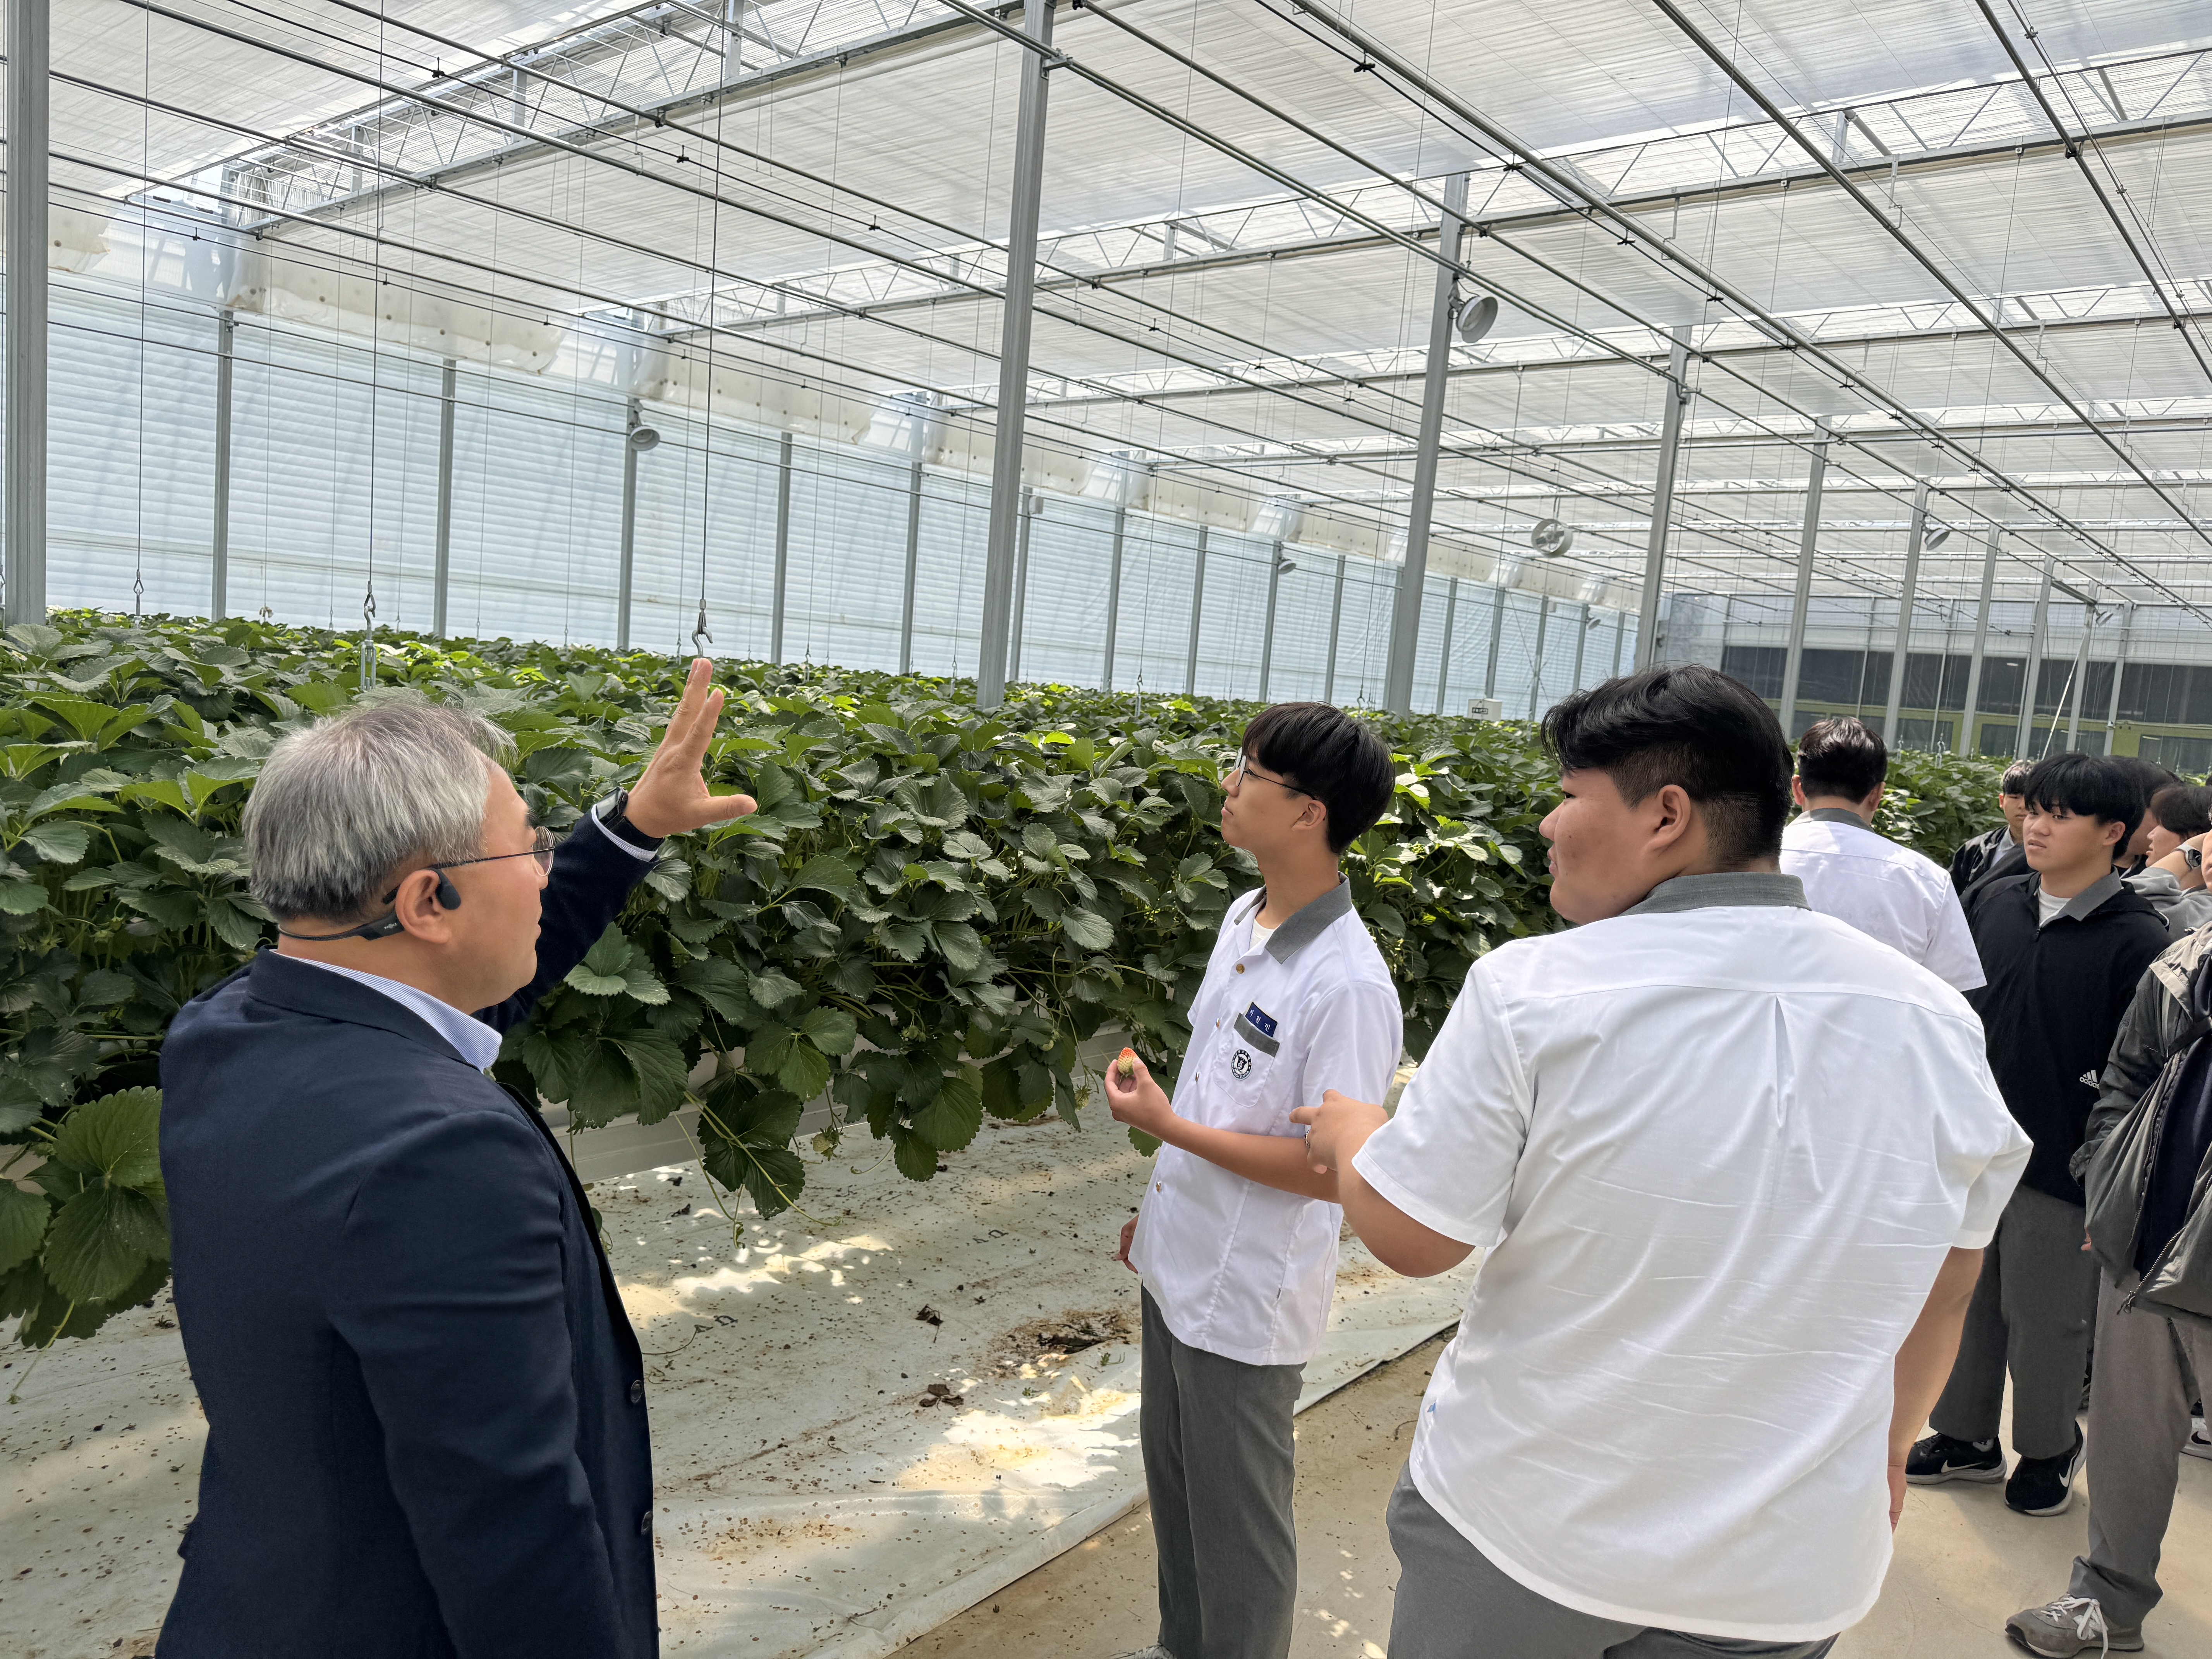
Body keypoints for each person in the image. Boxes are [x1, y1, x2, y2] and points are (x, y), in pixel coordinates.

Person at [1289, 666, 2029, 1659]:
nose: (1548, 824)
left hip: (1531, 1531)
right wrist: (1891, 1447)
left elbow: (1416, 1238)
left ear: (1667, 814)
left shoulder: (1536, 990)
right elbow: (1950, 1275)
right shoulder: (1933, 1021)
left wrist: (1352, 1136)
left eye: (1568, 794)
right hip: (1785, 1568)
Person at [158, 662, 753, 1659]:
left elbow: (463, 982)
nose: (546, 870)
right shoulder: (443, 1156)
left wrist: (634, 826)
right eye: (534, 846)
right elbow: (512, 1530)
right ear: (428, 899)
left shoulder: (226, 1030)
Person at [1102, 702, 1402, 1659]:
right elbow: (1214, 1085)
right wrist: (1159, 1207)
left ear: (1310, 813)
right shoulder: (1247, 915)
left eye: (1249, 773)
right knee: (1178, 1491)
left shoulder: (1348, 985)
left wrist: (1167, 1128)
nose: (1227, 786)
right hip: (1177, 1262)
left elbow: (1333, 1173)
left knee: (1240, 1534)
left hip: (1244, 1295)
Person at [1908, 753, 2170, 1518]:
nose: (2036, 824)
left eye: (2061, 814)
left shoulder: (2137, 939)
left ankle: (2049, 1447)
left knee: (2047, 1317)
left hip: (2063, 1164)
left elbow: (2142, 1073)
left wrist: (2110, 1183)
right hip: (1972, 1148)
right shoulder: (1998, 902)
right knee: (1962, 1299)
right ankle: (1965, 1436)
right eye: (2036, 809)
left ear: (2112, 832)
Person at [2002, 898, 2212, 1656]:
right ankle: (2106, 1601)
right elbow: (2124, 1077)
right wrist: (2107, 1187)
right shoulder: (2187, 958)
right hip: (2147, 1244)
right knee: (2128, 1436)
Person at [1778, 715, 1982, 991]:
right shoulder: (1926, 879)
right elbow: (1955, 993)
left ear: (1797, 789)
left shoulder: (1750, 861)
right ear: (1876, 795)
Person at [2121, 783, 2212, 938]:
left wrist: (2187, 851)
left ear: (2194, 835)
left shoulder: (2206, 909)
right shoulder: (2188, 896)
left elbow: (2124, 906)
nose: (2151, 835)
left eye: (2161, 825)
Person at [1949, 758, 2032, 895]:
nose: (2023, 805)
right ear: (2002, 801)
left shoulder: (2055, 854)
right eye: (2015, 797)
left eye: (2029, 798)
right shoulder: (1973, 850)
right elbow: (1950, 896)